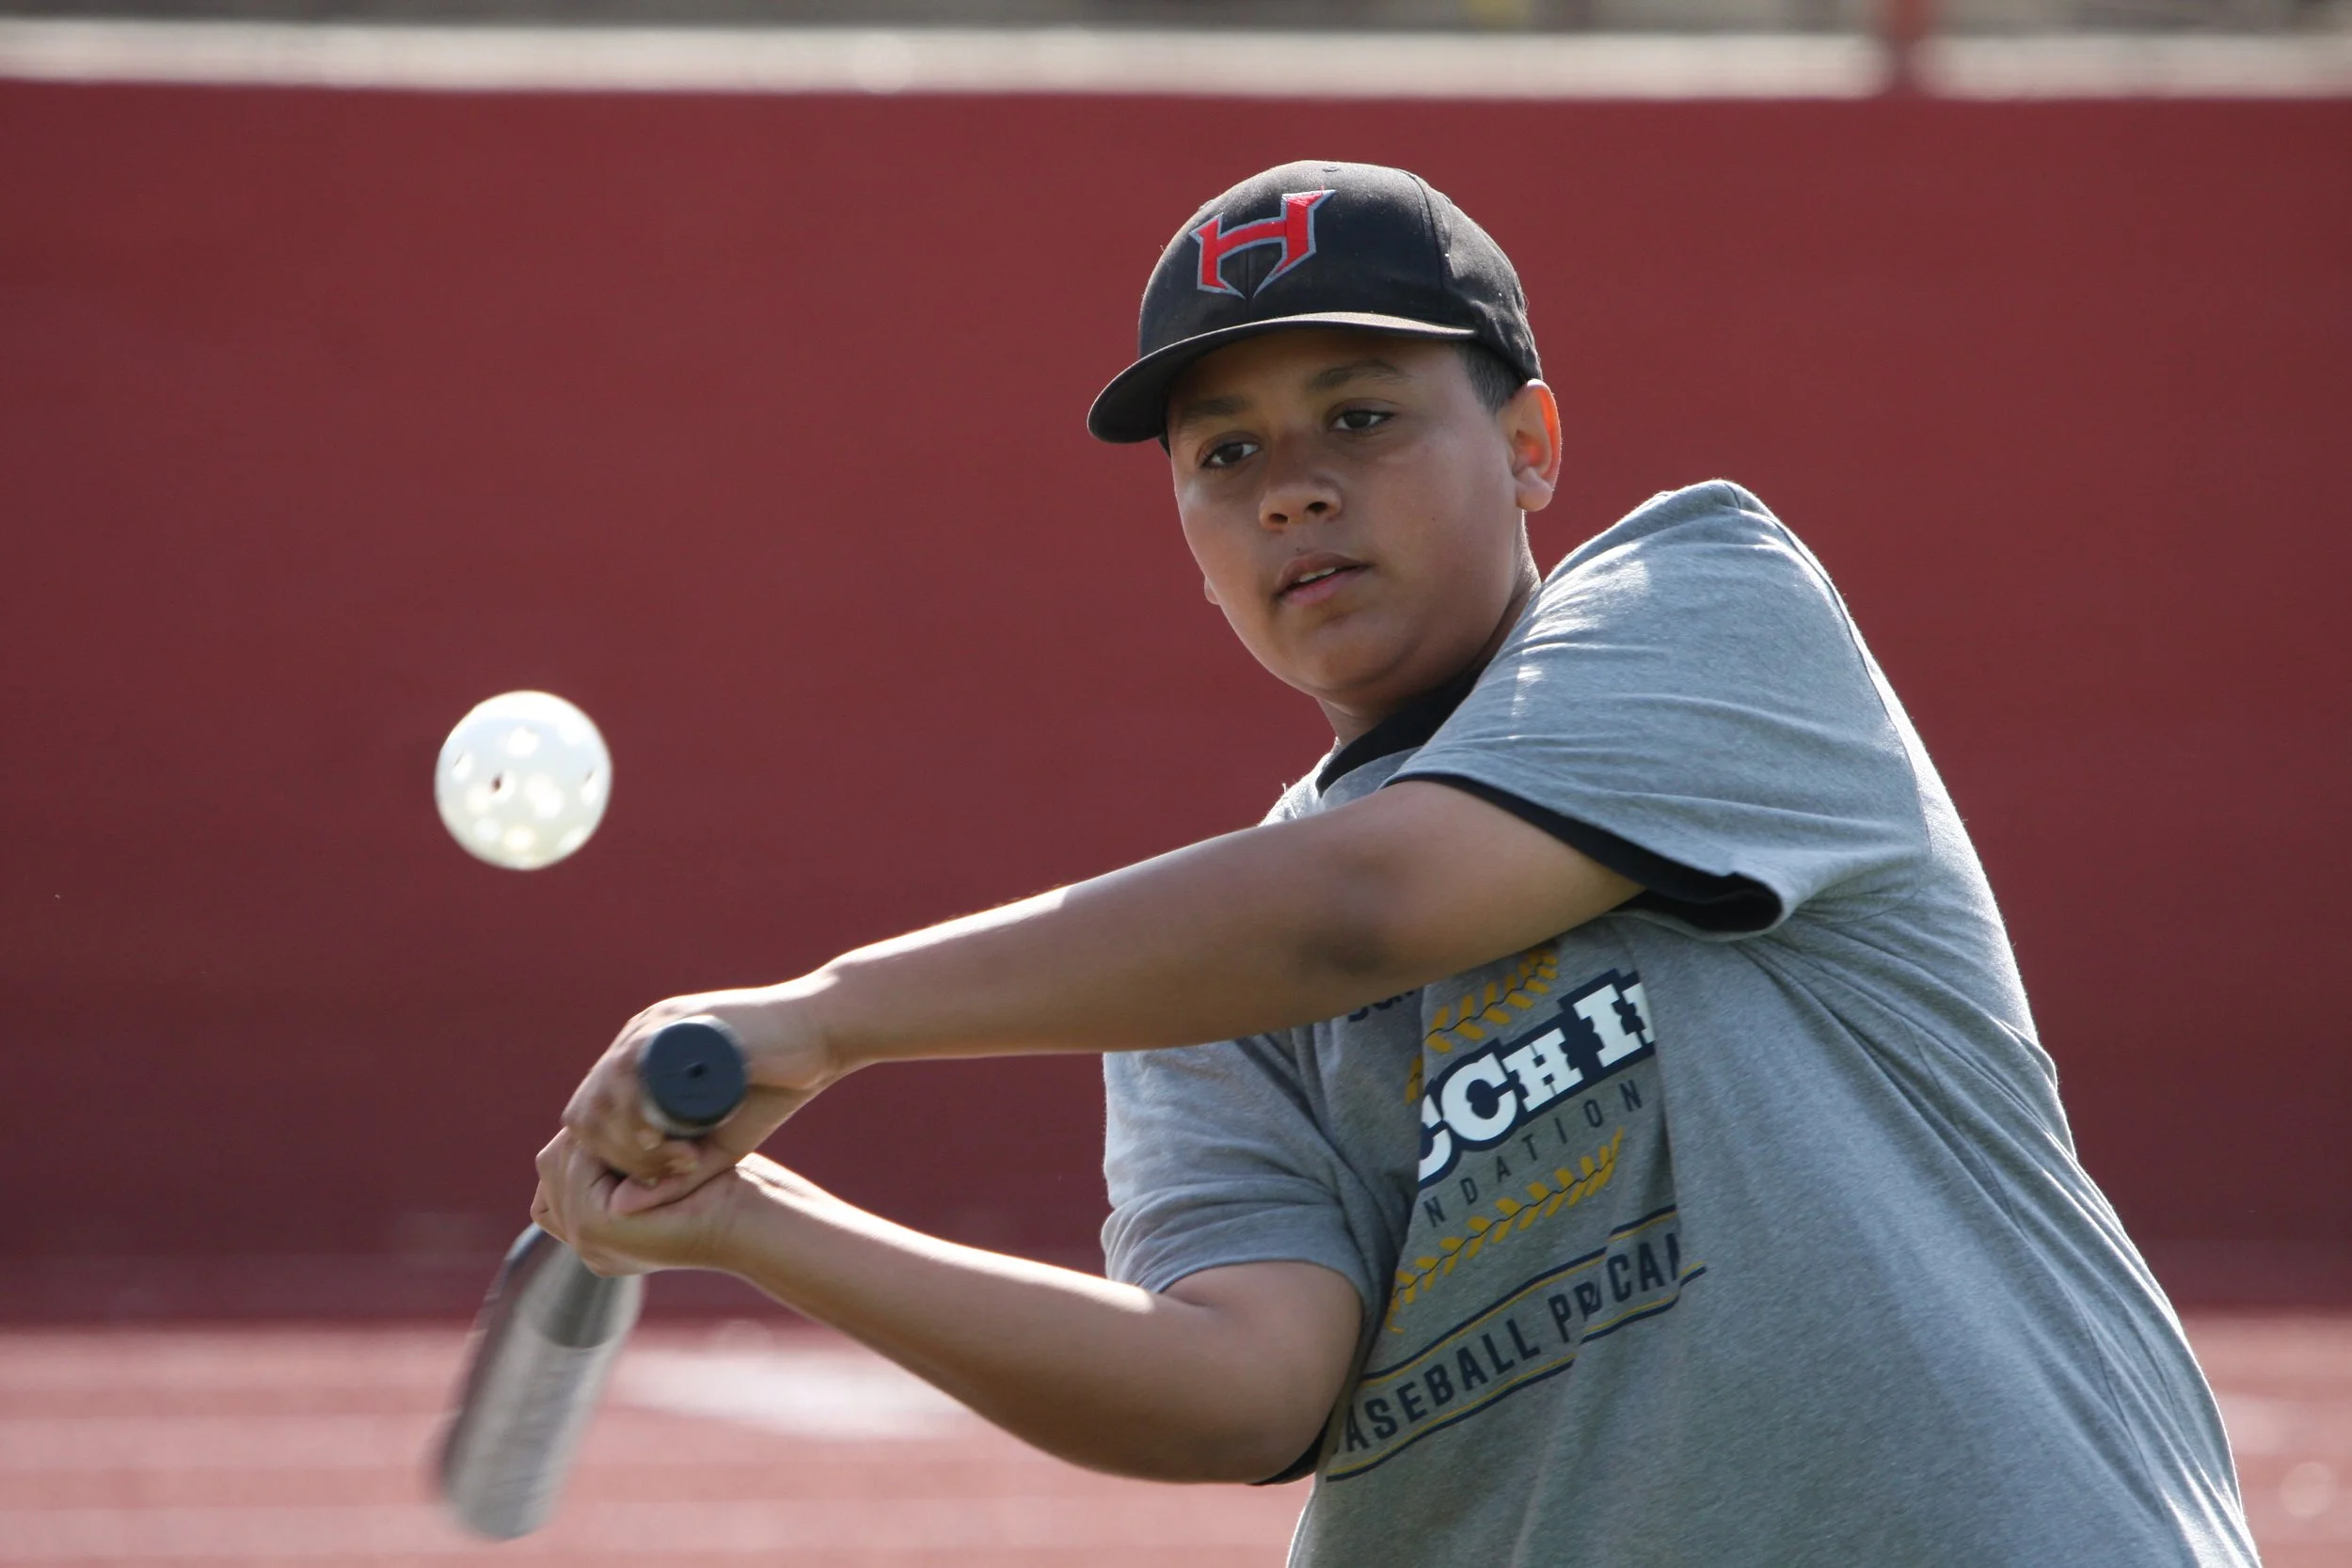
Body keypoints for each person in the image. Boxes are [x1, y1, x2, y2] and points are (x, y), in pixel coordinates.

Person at [532, 161, 2256, 1565]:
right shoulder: (1197, 966)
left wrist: (825, 1014)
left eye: (1360, 417)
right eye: (1226, 455)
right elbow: (1242, 1390)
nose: (1291, 490)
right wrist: (754, 1221)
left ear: (1531, 446)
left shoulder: (1713, 604)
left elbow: (1377, 904)